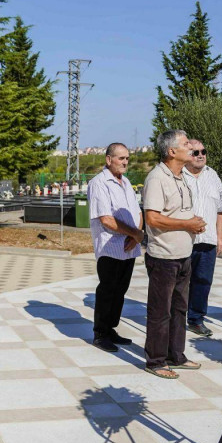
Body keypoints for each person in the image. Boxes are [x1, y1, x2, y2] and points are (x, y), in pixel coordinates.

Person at [142, 130, 206, 379]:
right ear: (171, 152)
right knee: (160, 312)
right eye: (185, 143)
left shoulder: (182, 178)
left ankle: (175, 356)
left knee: (180, 309)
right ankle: (156, 361)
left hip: (183, 254)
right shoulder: (157, 178)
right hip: (164, 257)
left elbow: (178, 213)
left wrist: (193, 223)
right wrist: (187, 224)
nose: (191, 147)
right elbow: (152, 218)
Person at [87, 143, 144, 352]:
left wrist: (136, 236)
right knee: (107, 290)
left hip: (128, 247)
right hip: (110, 247)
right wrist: (135, 234)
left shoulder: (126, 182)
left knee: (121, 290)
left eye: (127, 158)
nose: (125, 162)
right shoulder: (99, 183)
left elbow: (137, 212)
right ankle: (100, 333)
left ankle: (111, 329)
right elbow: (106, 220)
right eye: (121, 158)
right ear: (108, 160)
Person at [183, 139, 222, 336]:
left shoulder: (213, 175)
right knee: (180, 282)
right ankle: (174, 319)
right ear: (187, 156)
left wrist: (220, 237)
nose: (200, 155)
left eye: (203, 151)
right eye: (195, 152)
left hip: (208, 240)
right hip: (184, 240)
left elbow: (221, 210)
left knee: (203, 281)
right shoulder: (179, 175)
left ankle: (196, 319)